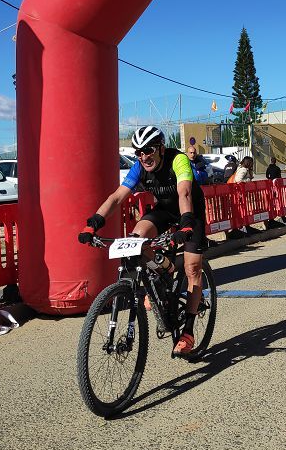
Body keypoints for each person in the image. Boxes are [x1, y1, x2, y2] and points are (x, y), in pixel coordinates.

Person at [79, 126, 206, 356]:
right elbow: (116, 197)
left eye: (148, 150)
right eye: (138, 152)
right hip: (165, 211)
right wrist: (93, 223)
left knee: (192, 267)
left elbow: (185, 194)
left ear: (160, 148)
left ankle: (188, 331)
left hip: (190, 212)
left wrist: (186, 223)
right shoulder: (139, 167)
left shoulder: (178, 160)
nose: (143, 157)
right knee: (135, 239)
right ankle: (164, 271)